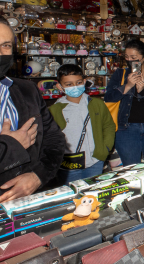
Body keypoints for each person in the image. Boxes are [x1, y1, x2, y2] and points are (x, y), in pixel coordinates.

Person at [0, 17, 67, 202]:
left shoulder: (26, 89)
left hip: (28, 202)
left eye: (5, 45)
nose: (1, 52)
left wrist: (38, 176)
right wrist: (11, 145)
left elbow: (54, 140)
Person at [49, 64, 115, 184]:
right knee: (74, 196)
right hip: (68, 165)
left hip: (95, 160)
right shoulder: (55, 110)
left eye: (78, 82)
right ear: (59, 86)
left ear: (84, 81)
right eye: (68, 84)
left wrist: (105, 149)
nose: (74, 86)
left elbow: (108, 125)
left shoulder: (97, 104)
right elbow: (51, 137)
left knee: (93, 193)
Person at [105, 39, 144, 165]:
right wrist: (127, 86)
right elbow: (109, 97)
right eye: (127, 57)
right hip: (126, 128)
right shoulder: (120, 74)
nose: (130, 60)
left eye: (134, 57)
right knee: (131, 168)